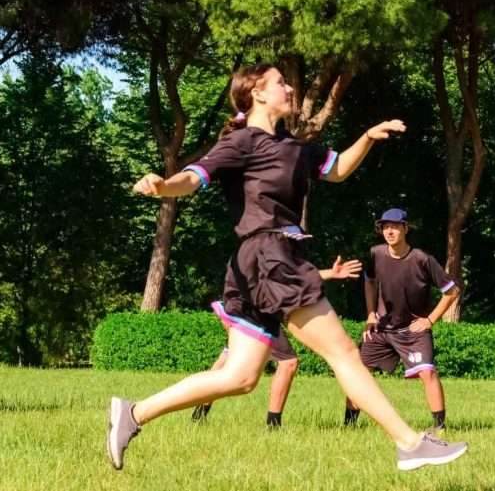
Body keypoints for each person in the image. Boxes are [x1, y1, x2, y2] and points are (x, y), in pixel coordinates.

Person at [107, 63, 467, 471]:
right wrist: (163, 185)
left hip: (268, 260)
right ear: (257, 93)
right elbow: (194, 178)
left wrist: (367, 136)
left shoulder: (296, 147)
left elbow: (338, 170)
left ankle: (132, 414)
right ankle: (409, 442)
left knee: (240, 378)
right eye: (281, 82)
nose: (291, 88)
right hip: (267, 255)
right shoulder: (242, 141)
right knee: (345, 353)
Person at [191, 255, 363, 428]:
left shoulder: (267, 243)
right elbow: (292, 280)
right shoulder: (273, 244)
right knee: (288, 362)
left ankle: (199, 414)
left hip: (240, 308)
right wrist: (330, 273)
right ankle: (273, 424)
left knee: (228, 359)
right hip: (252, 312)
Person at [343, 208, 460, 433]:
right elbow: (369, 281)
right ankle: (348, 426)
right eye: (385, 227)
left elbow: (452, 291)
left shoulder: (422, 259)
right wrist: (370, 314)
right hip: (382, 329)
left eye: (395, 226)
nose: (390, 231)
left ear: (406, 228)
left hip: (412, 330)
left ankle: (441, 428)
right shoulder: (375, 254)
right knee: (359, 373)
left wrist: (430, 320)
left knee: (428, 373)